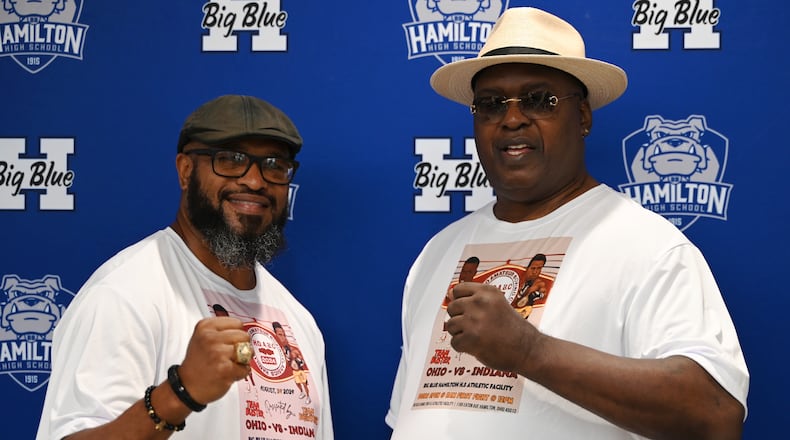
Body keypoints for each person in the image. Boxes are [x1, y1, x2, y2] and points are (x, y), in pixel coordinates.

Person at [386, 7, 748, 440]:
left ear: (583, 117)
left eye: (540, 99)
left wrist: (529, 351)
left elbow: (715, 415)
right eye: (490, 104)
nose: (512, 118)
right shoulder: (438, 253)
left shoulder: (647, 247)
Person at [36, 95, 334, 439]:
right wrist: (181, 391)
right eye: (232, 160)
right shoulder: (125, 294)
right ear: (185, 170)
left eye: (274, 165)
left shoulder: (298, 322)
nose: (255, 181)